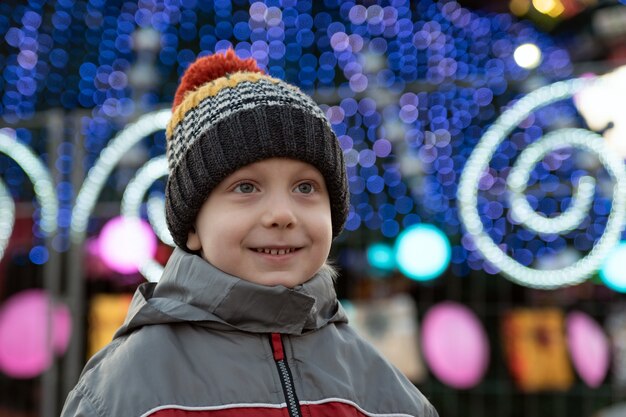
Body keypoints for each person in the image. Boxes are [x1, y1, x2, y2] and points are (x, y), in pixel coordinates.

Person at [61, 49, 439, 417]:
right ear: (192, 225)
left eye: (305, 188)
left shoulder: (386, 393)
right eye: (246, 188)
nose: (281, 214)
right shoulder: (124, 391)